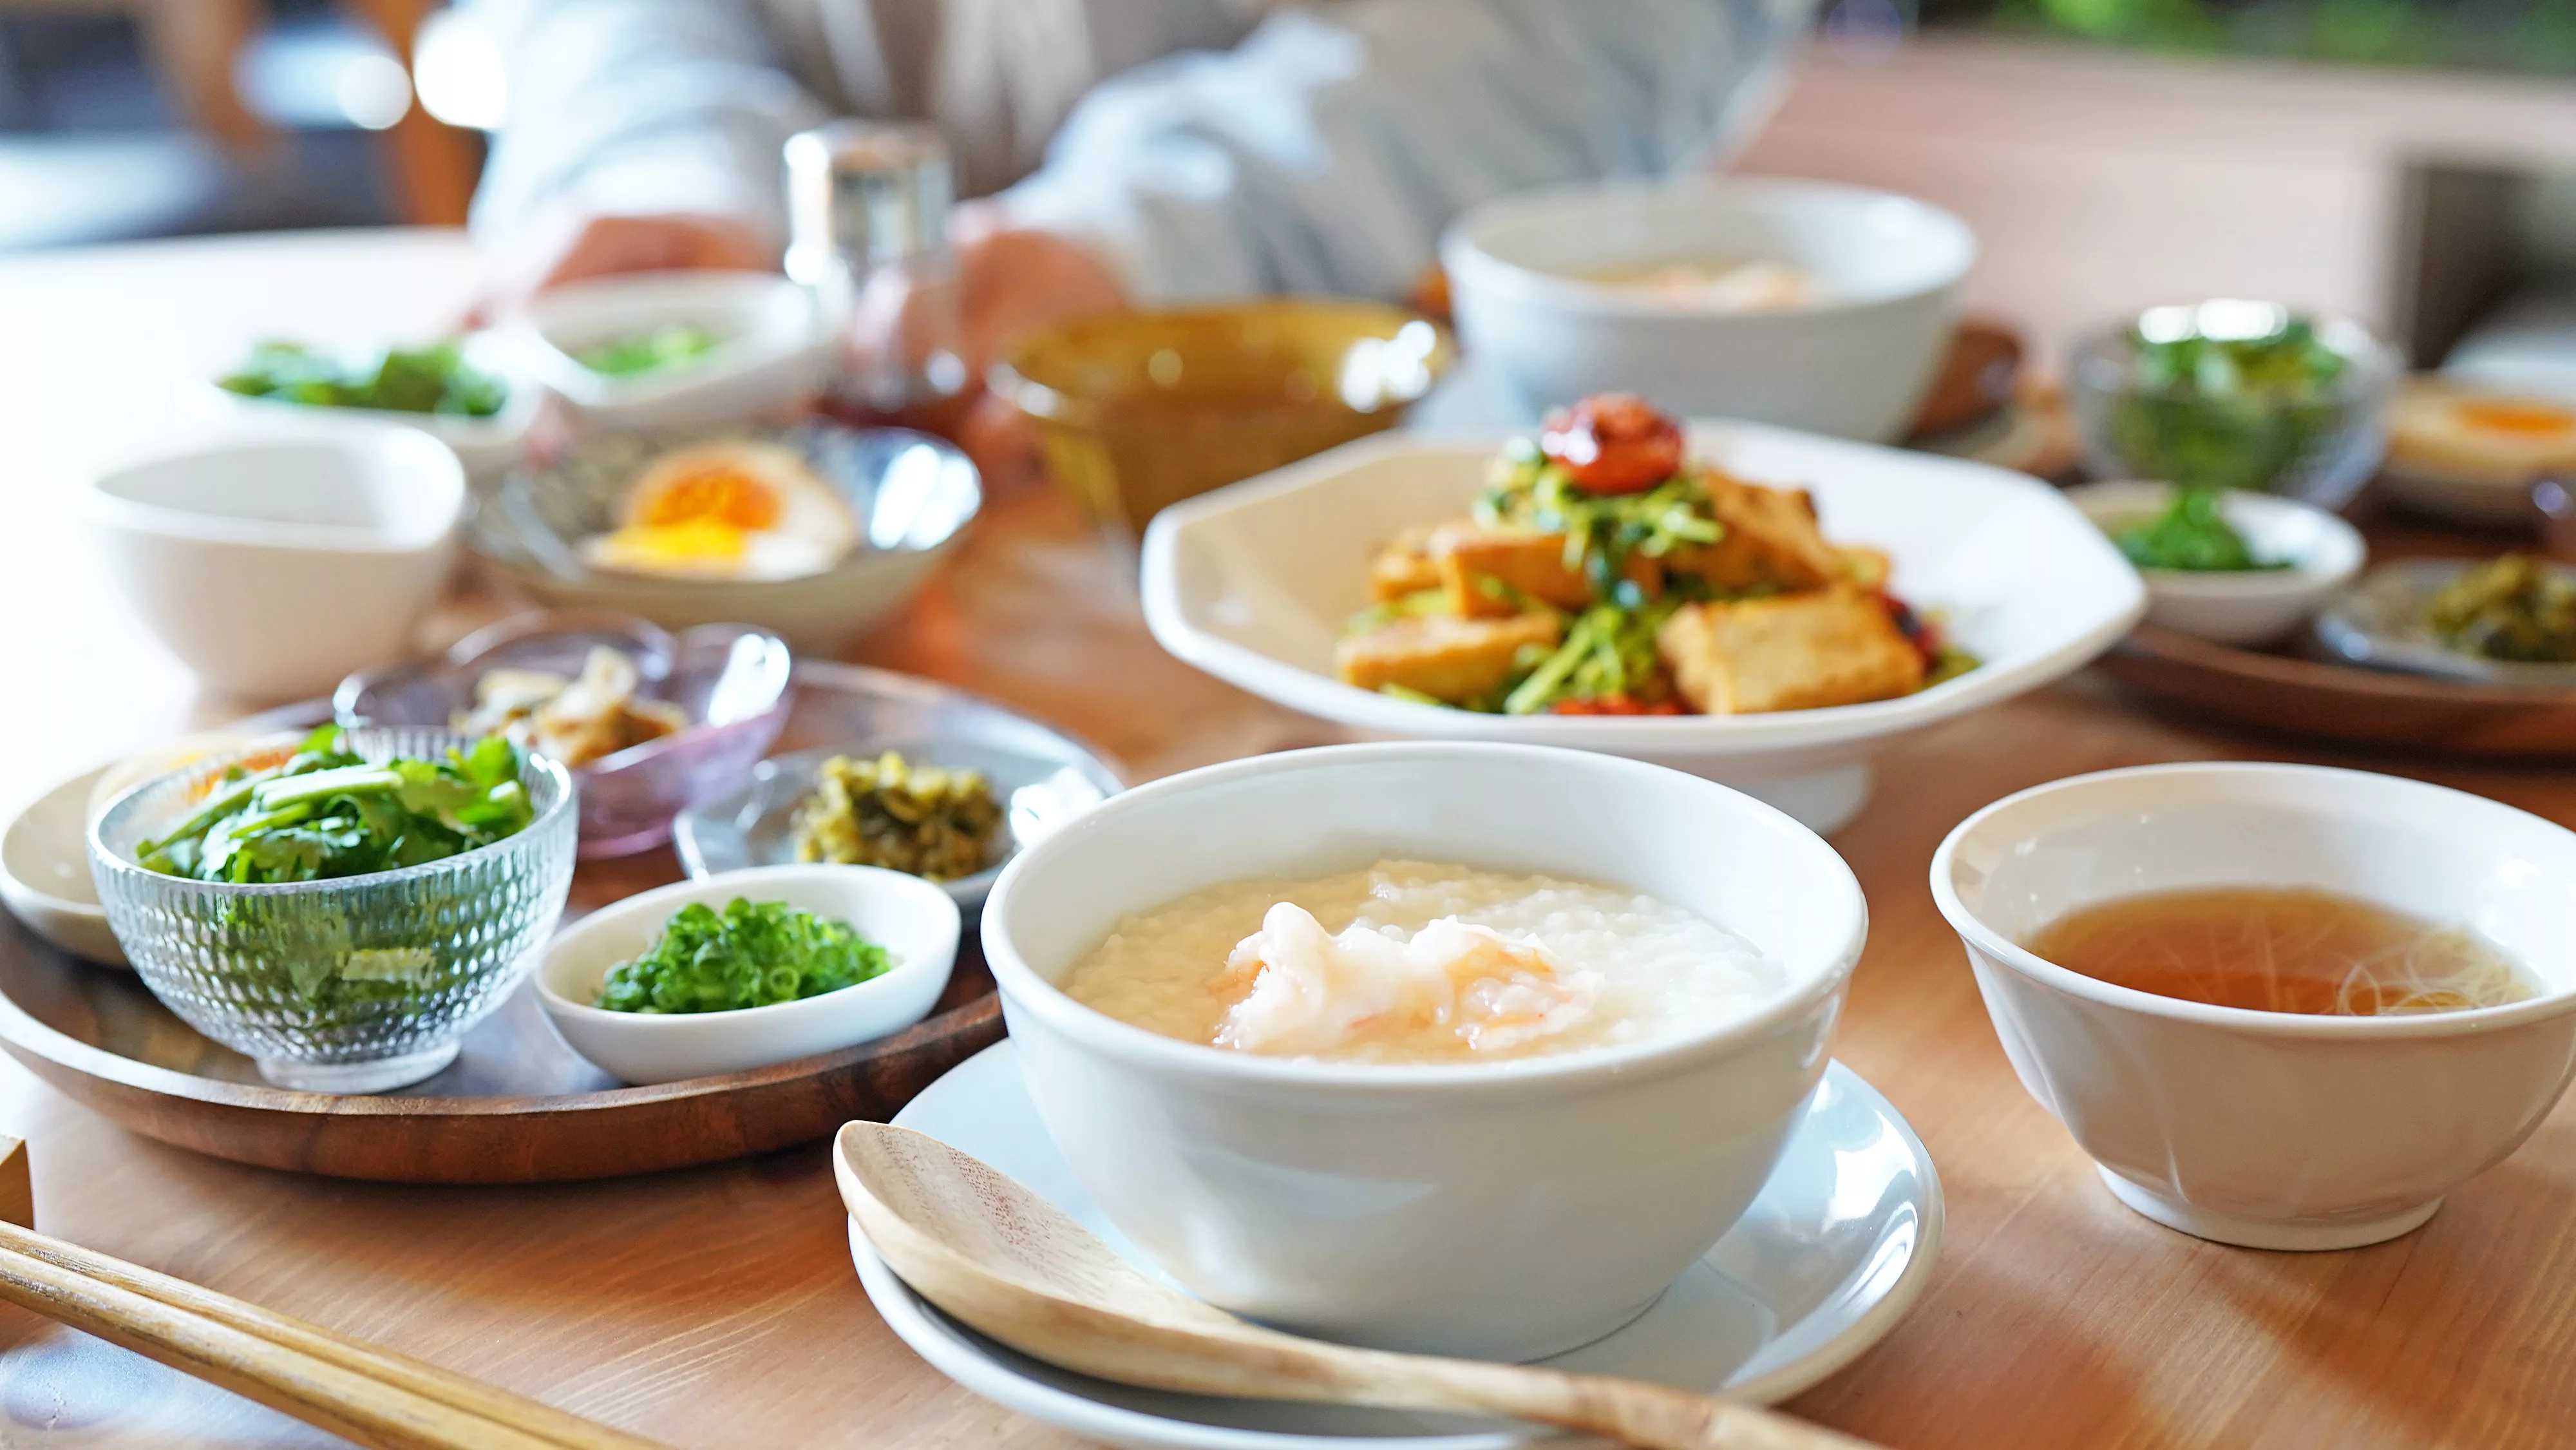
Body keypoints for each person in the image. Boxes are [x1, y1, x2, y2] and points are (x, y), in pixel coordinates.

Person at [468, 0, 1812, 478]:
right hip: (772, 460)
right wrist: (647, 156)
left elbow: (1594, 30)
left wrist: (1155, 239)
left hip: (1319, 445)